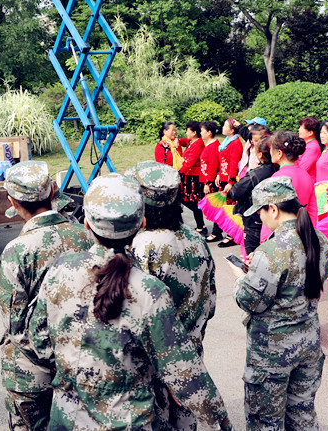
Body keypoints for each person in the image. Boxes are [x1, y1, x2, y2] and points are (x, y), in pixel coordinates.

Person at [29, 174, 233, 430]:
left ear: (87, 224)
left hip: (67, 419)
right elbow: (184, 374)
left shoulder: (60, 271)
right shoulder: (149, 291)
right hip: (126, 421)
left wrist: (75, 369)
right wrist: (222, 423)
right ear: (141, 224)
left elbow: (39, 341)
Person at [227, 177, 328, 430]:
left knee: (266, 421)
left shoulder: (271, 251)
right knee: (302, 414)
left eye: (260, 212)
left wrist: (241, 278)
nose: (260, 218)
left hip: (272, 351)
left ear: (273, 209)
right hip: (308, 342)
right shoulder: (319, 240)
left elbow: (249, 301)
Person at [0, 161, 94, 431]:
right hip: (84, 361)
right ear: (53, 192)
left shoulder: (17, 250)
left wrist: (49, 359)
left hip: (32, 373)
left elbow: (15, 325)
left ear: (12, 201)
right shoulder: (87, 235)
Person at [129, 161, 217, 430]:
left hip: (157, 364)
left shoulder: (142, 247)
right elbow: (211, 301)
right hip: (191, 353)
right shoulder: (196, 240)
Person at [231, 137, 277, 254]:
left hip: (254, 219)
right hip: (274, 220)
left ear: (260, 155)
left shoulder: (256, 174)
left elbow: (235, 192)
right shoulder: (278, 169)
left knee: (253, 256)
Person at [271, 131, 318, 224]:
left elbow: (273, 212)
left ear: (279, 153)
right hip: (303, 227)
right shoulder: (306, 175)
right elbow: (313, 209)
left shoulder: (277, 177)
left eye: (271, 149)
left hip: (283, 229)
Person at [215, 118, 244, 246]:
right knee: (224, 207)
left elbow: (234, 163)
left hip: (230, 180)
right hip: (223, 177)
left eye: (225, 126)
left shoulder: (236, 143)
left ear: (232, 130)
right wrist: (218, 174)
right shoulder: (226, 141)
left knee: (231, 207)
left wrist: (231, 182)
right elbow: (223, 161)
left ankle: (231, 235)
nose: (222, 128)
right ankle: (227, 232)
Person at [179, 121, 207, 235]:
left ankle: (201, 226)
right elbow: (184, 141)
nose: (186, 133)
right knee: (185, 199)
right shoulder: (192, 141)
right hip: (188, 175)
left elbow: (190, 162)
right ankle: (201, 225)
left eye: (188, 131)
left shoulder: (198, 144)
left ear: (194, 132)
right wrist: (176, 139)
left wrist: (179, 172)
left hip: (193, 177)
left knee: (193, 201)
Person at [199, 121, 223, 243]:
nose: (200, 133)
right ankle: (216, 232)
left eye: (202, 131)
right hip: (208, 180)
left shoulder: (213, 146)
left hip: (211, 182)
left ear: (209, 132)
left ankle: (216, 233)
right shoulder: (209, 144)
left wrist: (208, 183)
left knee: (215, 207)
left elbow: (213, 166)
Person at [297, 116, 322, 182]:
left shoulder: (313, 147)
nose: (299, 130)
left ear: (310, 133)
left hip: (309, 182)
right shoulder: (307, 144)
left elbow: (302, 168)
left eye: (301, 128)